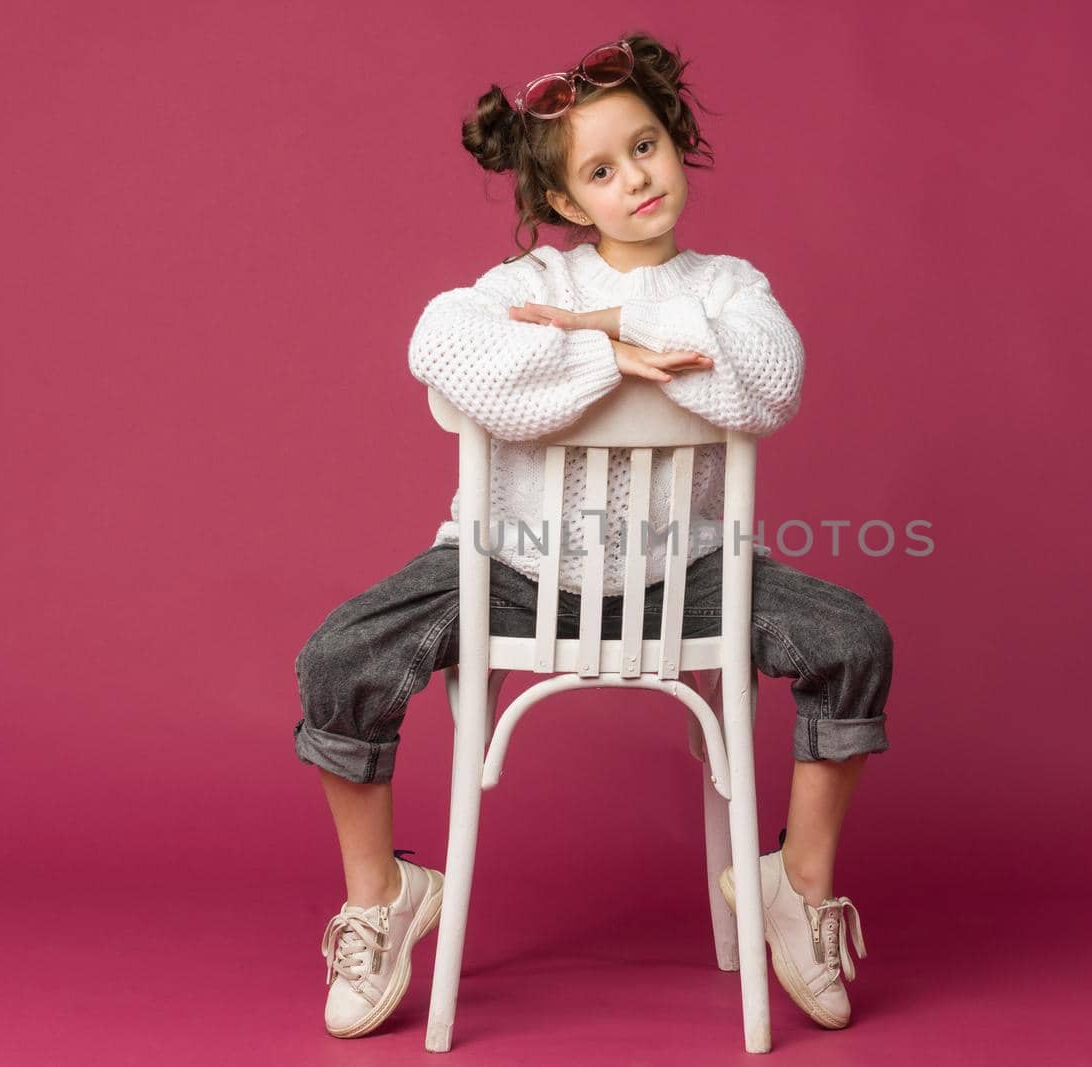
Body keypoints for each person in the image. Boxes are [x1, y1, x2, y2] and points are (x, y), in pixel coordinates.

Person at [293, 30, 893, 1039]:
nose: (636, 178)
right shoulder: (530, 282)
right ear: (569, 204)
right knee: (338, 655)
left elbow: (771, 377)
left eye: (647, 146)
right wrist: (608, 350)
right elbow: (440, 346)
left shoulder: (731, 286)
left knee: (854, 639)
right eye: (602, 170)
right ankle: (381, 893)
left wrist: (591, 344)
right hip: (511, 565)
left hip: (685, 575)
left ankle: (793, 881)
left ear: (676, 140)